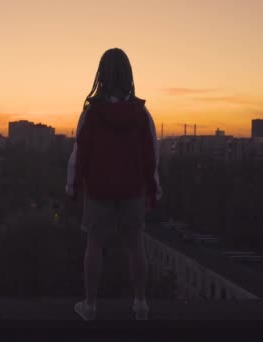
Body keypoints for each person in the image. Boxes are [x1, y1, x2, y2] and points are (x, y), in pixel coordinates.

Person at [66, 48, 161, 321]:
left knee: (94, 244)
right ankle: (141, 304)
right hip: (132, 189)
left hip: (98, 190)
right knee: (136, 244)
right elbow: (151, 153)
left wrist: (72, 187)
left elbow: (79, 153)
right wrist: (153, 187)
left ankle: (90, 305)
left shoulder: (92, 114)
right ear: (128, 75)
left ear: (101, 75)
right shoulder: (141, 114)